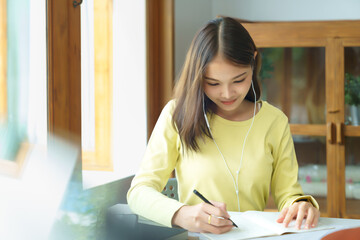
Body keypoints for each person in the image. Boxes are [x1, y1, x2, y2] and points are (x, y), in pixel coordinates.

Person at [127, 16, 320, 234]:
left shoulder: (274, 121)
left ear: (254, 62)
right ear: (198, 76)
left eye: (238, 80)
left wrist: (300, 205)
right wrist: (182, 214)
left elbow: (288, 194)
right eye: (213, 83)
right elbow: (139, 192)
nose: (227, 94)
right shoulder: (177, 115)